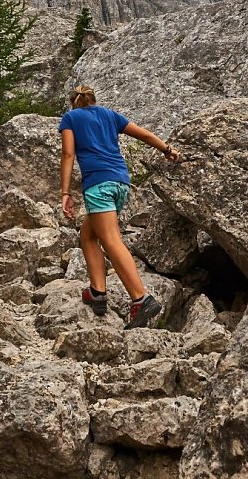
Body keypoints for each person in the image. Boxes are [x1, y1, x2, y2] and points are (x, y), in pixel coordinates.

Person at [59, 85, 181, 328]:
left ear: (74, 103)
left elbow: (68, 154)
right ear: (94, 99)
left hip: (98, 184)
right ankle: (97, 292)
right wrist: (168, 150)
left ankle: (140, 299)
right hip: (120, 183)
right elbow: (144, 135)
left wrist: (64, 192)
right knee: (87, 235)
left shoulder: (70, 118)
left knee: (112, 241)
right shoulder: (110, 115)